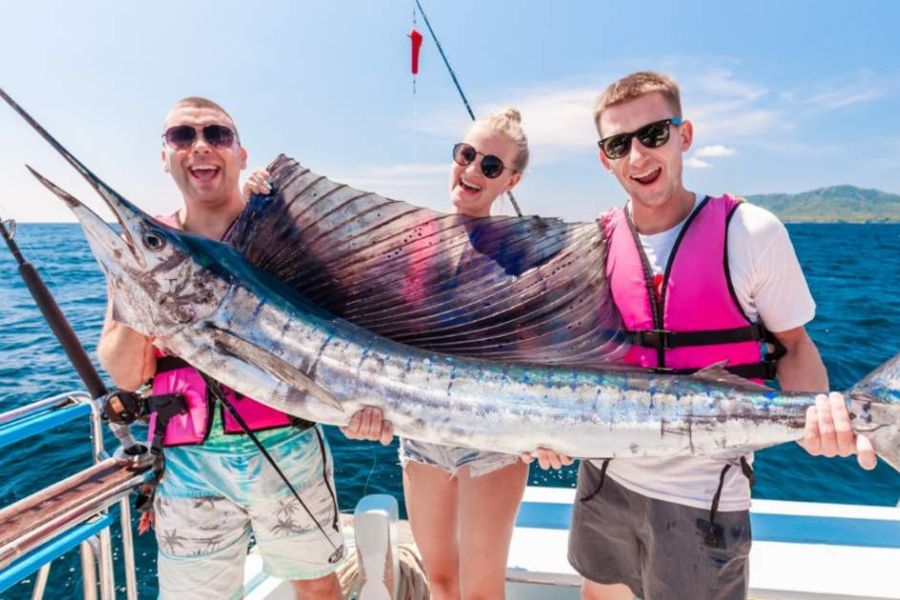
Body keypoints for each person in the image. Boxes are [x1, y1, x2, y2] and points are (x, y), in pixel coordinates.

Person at [523, 71, 877, 600]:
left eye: (654, 134)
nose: (638, 156)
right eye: (620, 144)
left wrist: (818, 416)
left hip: (703, 500)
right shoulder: (591, 243)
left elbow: (796, 347)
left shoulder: (752, 231)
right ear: (606, 158)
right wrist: (545, 434)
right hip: (601, 483)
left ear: (683, 135)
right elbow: (574, 364)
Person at [97, 96, 391, 600]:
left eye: (217, 134)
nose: (200, 146)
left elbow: (346, 340)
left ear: (240, 154)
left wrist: (366, 409)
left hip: (289, 447)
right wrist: (135, 289)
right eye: (181, 137)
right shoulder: (145, 250)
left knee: (317, 588)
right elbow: (126, 375)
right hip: (189, 463)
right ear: (164, 157)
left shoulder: (284, 239)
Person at [393, 108, 531, 600]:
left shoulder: (523, 251)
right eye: (466, 155)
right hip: (421, 433)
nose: (472, 170)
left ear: (512, 180)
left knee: (480, 589)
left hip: (492, 438)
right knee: (442, 582)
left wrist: (549, 431)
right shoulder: (414, 238)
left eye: (491, 166)